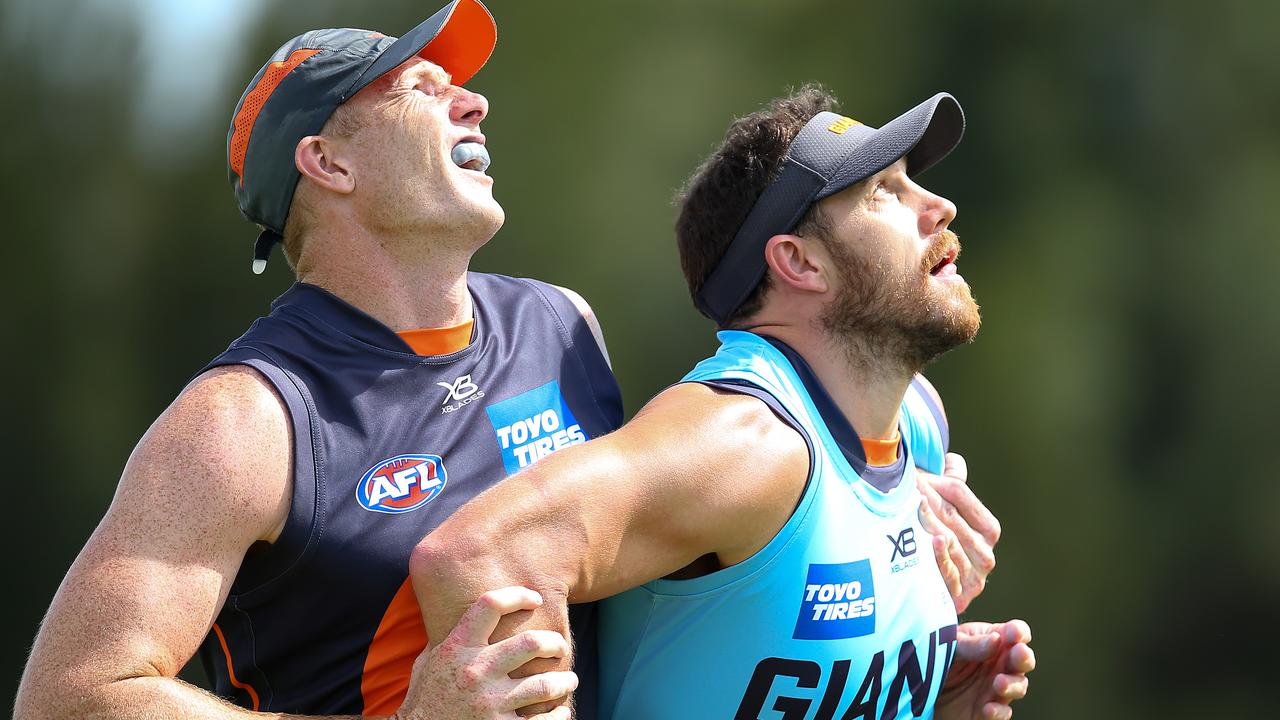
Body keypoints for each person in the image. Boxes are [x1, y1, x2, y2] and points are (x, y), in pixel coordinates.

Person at [15, 2, 614, 718]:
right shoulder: (240, 422)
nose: (474, 101)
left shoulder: (562, 323)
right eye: (419, 88)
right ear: (329, 163)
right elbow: (68, 698)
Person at [410, 87, 1035, 720]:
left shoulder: (916, 422)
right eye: (883, 192)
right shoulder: (746, 440)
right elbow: (484, 552)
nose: (941, 207)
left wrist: (914, 688)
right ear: (799, 262)